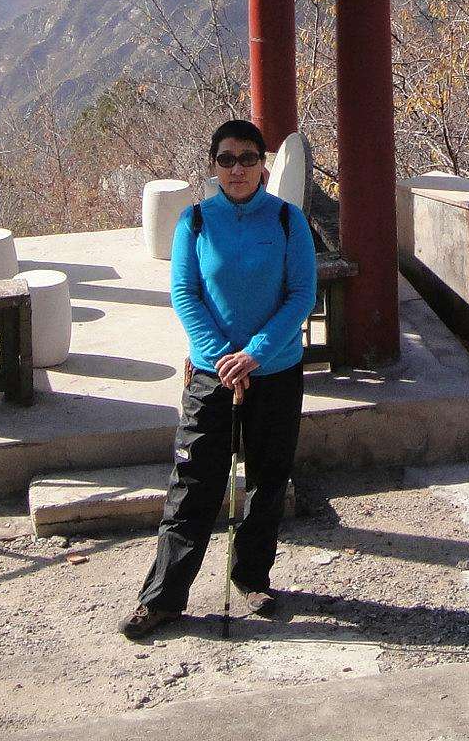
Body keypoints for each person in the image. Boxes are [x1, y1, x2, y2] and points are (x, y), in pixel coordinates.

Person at [121, 119, 316, 639]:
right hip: (212, 377)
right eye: (227, 159)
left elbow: (300, 294)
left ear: (263, 165)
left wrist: (252, 356)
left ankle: (252, 576)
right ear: (213, 166)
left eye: (248, 158)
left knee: (268, 482)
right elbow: (185, 295)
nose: (237, 169)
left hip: (273, 373)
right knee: (192, 486)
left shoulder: (288, 221)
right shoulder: (196, 222)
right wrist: (222, 359)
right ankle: (162, 597)